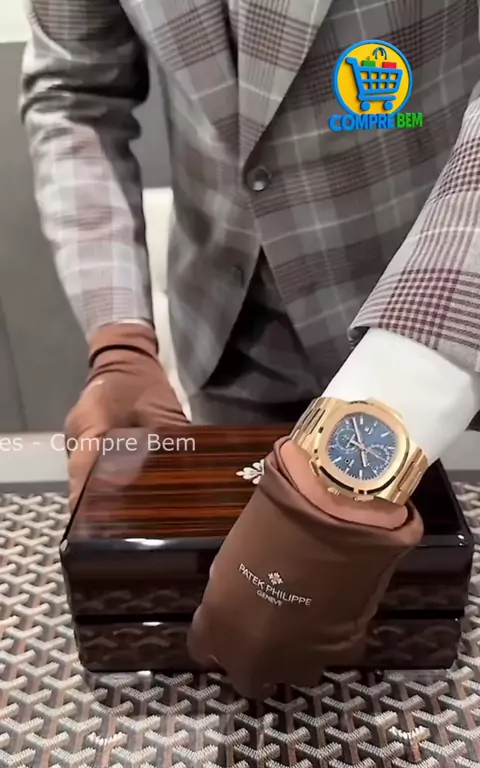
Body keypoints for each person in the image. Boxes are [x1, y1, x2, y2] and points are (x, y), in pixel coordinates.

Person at [21, 1, 480, 694]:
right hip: (230, 332)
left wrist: (354, 460)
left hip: (440, 312)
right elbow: (74, 94)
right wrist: (120, 341)